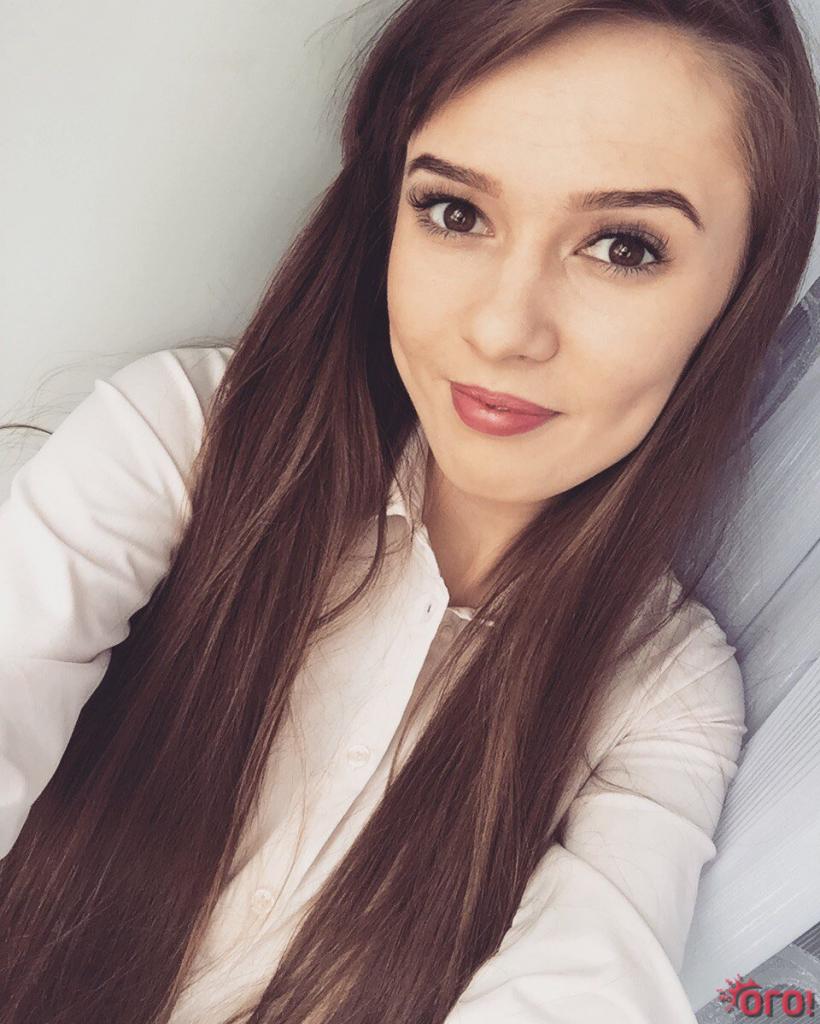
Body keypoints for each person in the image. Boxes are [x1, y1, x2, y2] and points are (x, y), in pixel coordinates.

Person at [0, 1, 817, 1022]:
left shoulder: (662, 696)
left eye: (622, 246)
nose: (503, 327)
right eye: (456, 213)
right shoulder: (185, 444)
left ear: (740, 294)